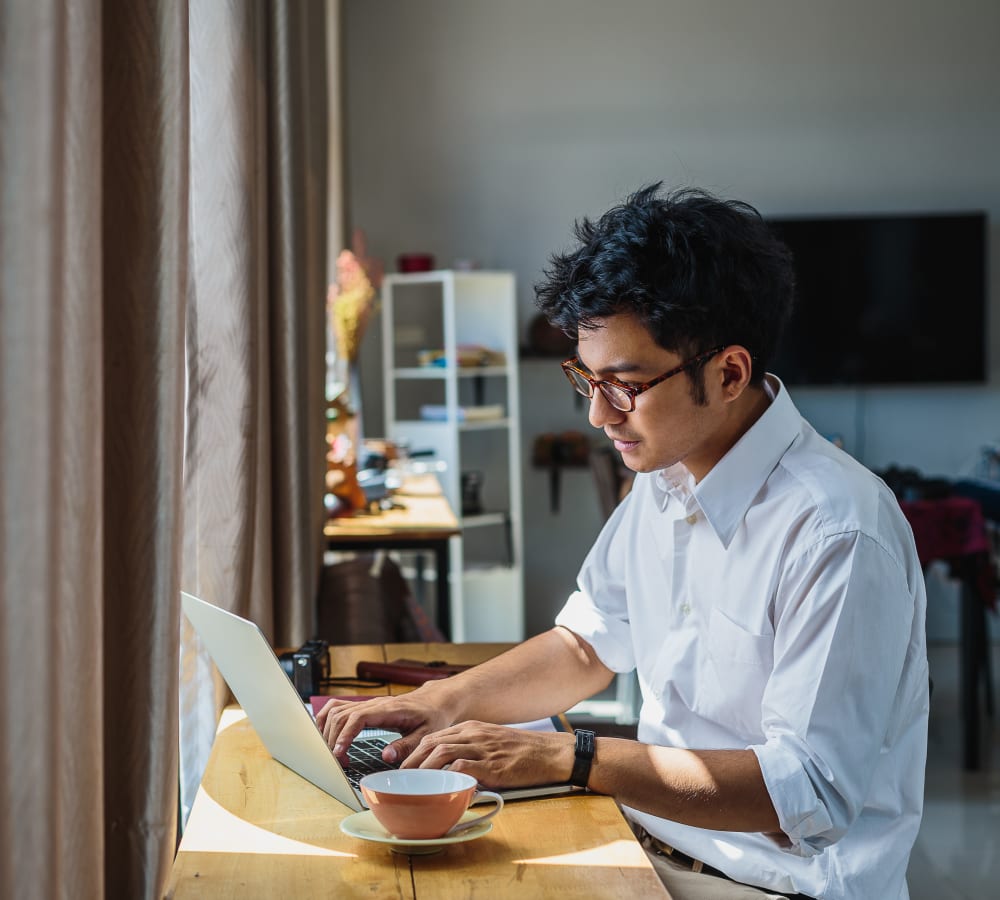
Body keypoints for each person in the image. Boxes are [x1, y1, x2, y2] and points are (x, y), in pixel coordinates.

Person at [318, 185, 929, 899]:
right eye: (587, 378)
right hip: (645, 841)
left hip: (772, 886)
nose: (598, 413)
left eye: (625, 384)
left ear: (729, 372)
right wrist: (446, 702)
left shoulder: (836, 529)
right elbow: (587, 643)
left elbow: (808, 794)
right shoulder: (664, 477)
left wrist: (568, 757)